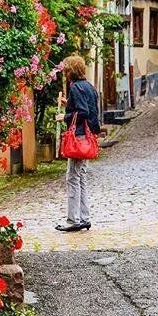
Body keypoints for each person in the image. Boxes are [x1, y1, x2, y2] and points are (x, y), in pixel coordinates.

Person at [55, 55, 101, 233]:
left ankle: (73, 220)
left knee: (72, 177)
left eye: (66, 70)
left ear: (70, 71)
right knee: (81, 177)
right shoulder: (89, 87)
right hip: (87, 136)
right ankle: (84, 217)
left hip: (79, 137)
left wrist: (64, 116)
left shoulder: (75, 87)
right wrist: (69, 104)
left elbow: (82, 111)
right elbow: (89, 109)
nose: (64, 73)